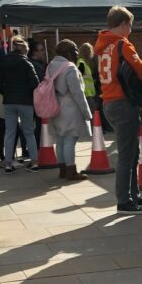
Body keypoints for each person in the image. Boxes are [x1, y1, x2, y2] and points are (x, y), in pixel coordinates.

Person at [95, 5, 142, 214]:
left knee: (132, 153)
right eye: (130, 26)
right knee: (127, 155)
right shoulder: (123, 45)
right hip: (124, 103)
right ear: (124, 24)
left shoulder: (103, 47)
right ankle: (124, 201)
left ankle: (133, 196)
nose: (131, 31)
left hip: (109, 102)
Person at [47, 40, 93, 181]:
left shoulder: (51, 65)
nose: (76, 53)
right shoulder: (70, 68)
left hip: (55, 105)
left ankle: (63, 170)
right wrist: (87, 113)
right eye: (74, 50)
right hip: (69, 107)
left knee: (60, 139)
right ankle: (71, 171)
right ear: (67, 52)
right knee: (70, 140)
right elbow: (77, 93)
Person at [0, 36, 40, 173]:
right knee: (29, 132)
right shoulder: (27, 64)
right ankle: (34, 162)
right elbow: (35, 84)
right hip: (25, 101)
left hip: (9, 101)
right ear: (24, 50)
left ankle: (8, 163)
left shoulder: (4, 63)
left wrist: (7, 93)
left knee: (10, 132)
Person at [23, 40, 48, 167]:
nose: (43, 52)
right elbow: (41, 82)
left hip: (30, 99)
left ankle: (29, 150)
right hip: (36, 99)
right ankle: (37, 150)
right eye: (41, 50)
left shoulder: (37, 63)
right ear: (34, 52)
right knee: (37, 126)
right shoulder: (36, 65)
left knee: (31, 126)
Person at [77, 43, 98, 114]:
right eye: (90, 51)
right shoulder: (81, 63)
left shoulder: (84, 63)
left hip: (89, 94)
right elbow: (79, 77)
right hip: (86, 95)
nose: (92, 53)